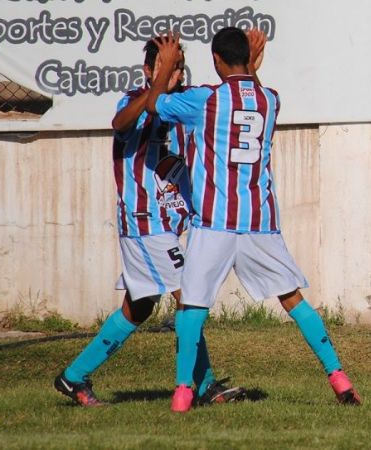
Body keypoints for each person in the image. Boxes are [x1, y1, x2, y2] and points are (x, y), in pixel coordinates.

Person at [145, 28, 360, 413]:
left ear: (216, 60)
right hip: (260, 221)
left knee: (192, 306)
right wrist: (252, 68)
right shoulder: (270, 100)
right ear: (249, 57)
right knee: (293, 299)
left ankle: (182, 393)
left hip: (215, 222)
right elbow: (251, 94)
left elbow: (153, 105)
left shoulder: (206, 99)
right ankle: (338, 376)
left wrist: (165, 67)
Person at [54, 39, 245, 407]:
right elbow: (119, 123)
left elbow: (232, 97)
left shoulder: (188, 101)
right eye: (166, 64)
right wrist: (157, 84)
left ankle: (73, 376)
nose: (175, 72)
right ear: (147, 70)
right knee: (190, 296)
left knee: (139, 307)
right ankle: (205, 385)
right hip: (144, 222)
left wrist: (248, 67)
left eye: (178, 65)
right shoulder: (134, 102)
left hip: (169, 223)